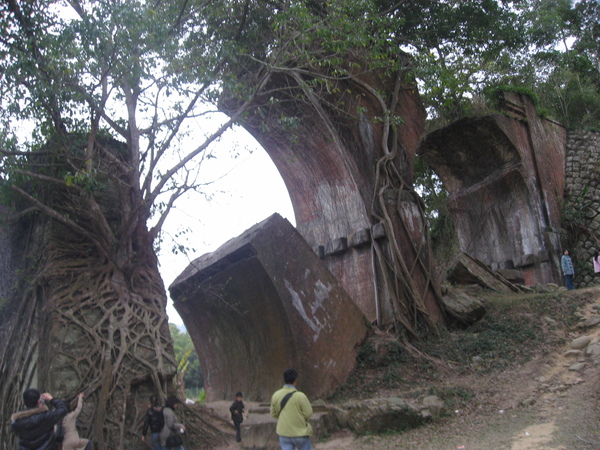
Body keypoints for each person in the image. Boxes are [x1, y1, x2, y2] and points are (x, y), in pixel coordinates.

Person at [270, 369, 313, 450]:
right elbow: (308, 413)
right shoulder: (300, 396)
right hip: (300, 433)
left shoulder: (276, 395)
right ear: (295, 380)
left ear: (284, 380)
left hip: (284, 433)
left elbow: (273, 413)